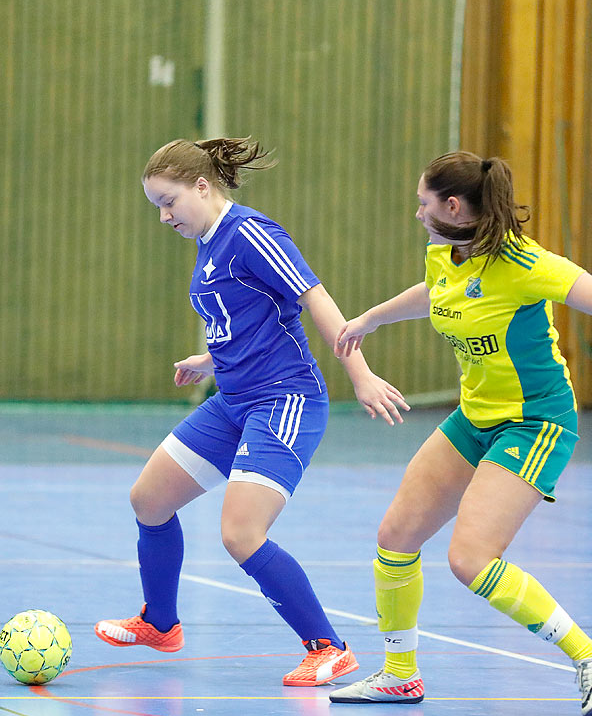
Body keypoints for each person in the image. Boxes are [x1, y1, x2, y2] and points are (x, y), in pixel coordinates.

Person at [327, 151, 592, 716]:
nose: (416, 212)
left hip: (535, 421)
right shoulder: (444, 251)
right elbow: (435, 293)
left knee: (471, 559)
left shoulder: (526, 264)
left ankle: (591, 655)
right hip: (475, 418)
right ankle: (399, 675)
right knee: (396, 535)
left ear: (453, 206)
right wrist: (372, 318)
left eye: (423, 202)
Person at [94, 138, 411, 686]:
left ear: (202, 186)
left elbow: (314, 297)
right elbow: (254, 320)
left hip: (284, 399)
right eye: (156, 207)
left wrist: (359, 375)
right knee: (148, 500)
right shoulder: (210, 241)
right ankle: (160, 623)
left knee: (241, 533)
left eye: (169, 202)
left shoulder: (251, 234)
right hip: (235, 399)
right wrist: (210, 359)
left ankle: (329, 648)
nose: (164, 217)